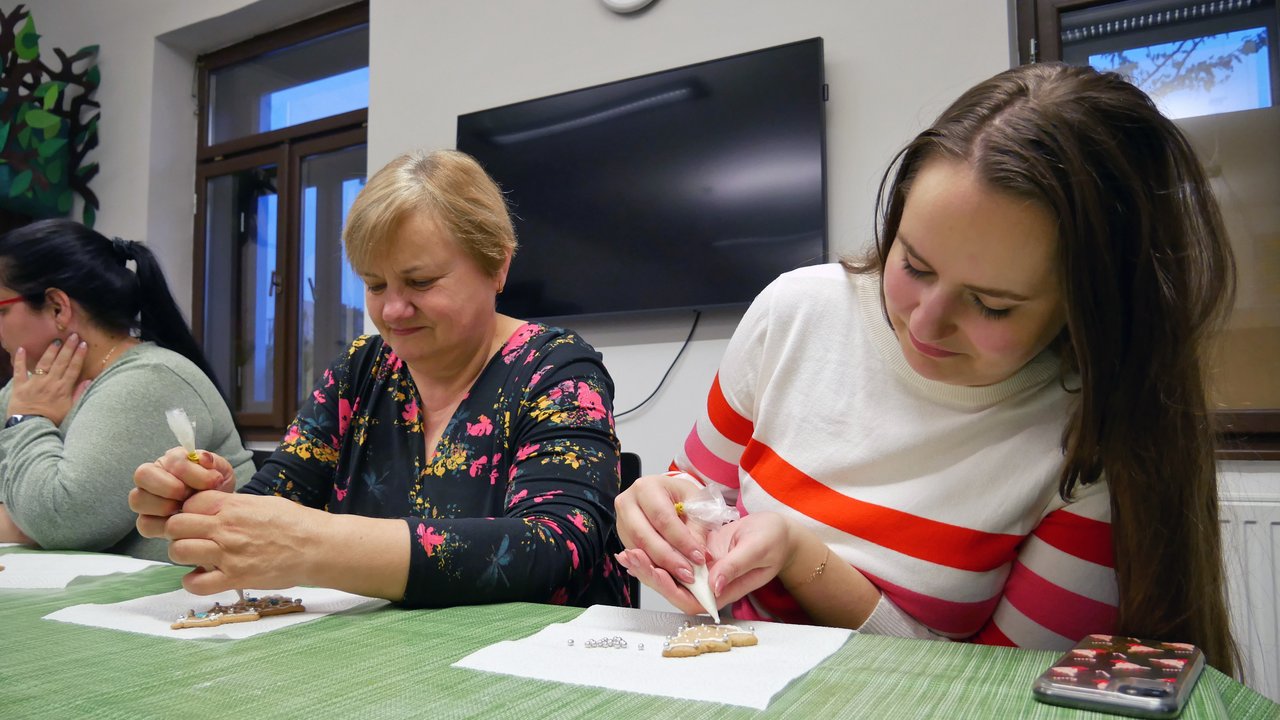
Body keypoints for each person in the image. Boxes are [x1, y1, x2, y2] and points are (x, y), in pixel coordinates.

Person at [614, 62, 1240, 674]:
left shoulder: (1091, 438)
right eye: (913, 264)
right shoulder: (795, 310)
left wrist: (804, 559)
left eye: (991, 305)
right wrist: (664, 508)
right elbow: (700, 496)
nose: (923, 324)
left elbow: (993, 694)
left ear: (1086, 310)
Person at [131, 149, 628, 609]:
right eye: (374, 284)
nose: (392, 310)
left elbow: (556, 547)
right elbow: (275, 505)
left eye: (421, 282)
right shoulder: (360, 372)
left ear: (497, 264)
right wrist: (212, 506)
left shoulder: (557, 369)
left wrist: (315, 547)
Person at [0, 219, 254, 560]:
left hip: (194, 602)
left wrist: (27, 419)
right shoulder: (28, 387)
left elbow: (63, 523)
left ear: (58, 308)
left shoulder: (150, 380)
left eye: (2, 310)